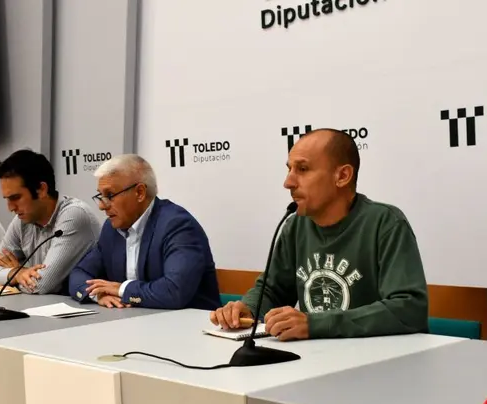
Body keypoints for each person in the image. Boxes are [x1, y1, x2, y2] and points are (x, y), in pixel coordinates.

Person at [210, 128, 428, 340]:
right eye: (289, 169)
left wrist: (316, 324)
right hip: (318, 359)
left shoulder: (385, 223)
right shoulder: (296, 225)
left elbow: (409, 308)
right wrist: (248, 309)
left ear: (342, 176)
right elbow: (272, 290)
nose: (288, 182)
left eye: (303, 169)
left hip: (382, 363)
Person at [69, 154, 221, 310]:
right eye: (101, 196)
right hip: (134, 323)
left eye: (110, 195)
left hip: (190, 327)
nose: (102, 206)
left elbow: (175, 291)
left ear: (140, 192)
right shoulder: (111, 228)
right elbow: (79, 274)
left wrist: (122, 290)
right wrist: (98, 294)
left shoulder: (177, 225)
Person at [0, 149, 100, 294]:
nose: (11, 208)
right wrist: (16, 273)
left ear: (41, 189)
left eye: (16, 198)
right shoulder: (21, 220)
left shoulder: (74, 215)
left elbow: (40, 285)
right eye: (7, 199)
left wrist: (15, 275)